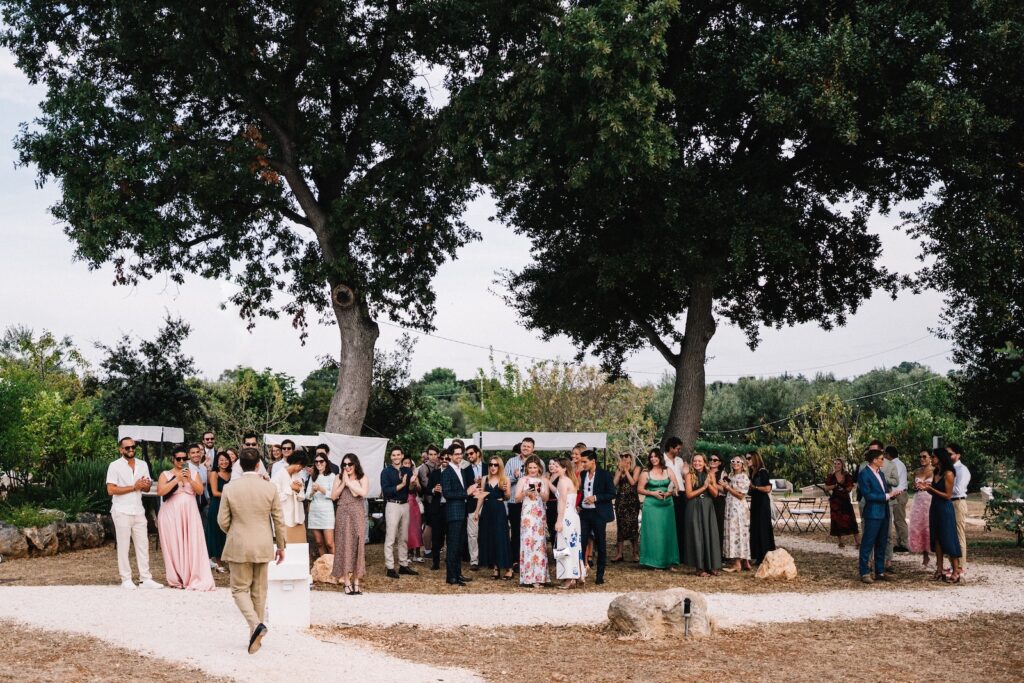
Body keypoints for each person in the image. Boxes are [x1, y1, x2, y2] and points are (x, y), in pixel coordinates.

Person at [217, 447, 286, 654]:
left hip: (239, 543)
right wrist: (281, 545)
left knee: (239, 589)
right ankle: (254, 634)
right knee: (259, 591)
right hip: (263, 543)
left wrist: (234, 532)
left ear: (239, 465)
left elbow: (222, 520)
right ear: (258, 465)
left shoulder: (230, 488)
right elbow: (278, 520)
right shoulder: (270, 488)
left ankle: (255, 626)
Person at [105, 437, 163, 589]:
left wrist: (145, 485)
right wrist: (134, 486)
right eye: (127, 448)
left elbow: (146, 487)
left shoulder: (142, 464)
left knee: (143, 545)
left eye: (133, 447)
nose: (131, 450)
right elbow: (111, 490)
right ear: (121, 449)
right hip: (121, 510)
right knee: (123, 546)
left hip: (138, 509)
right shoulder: (114, 466)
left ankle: (145, 578)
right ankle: (126, 579)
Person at [156, 445, 215, 591]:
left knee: (192, 542)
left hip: (190, 513)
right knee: (173, 544)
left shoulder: (194, 473)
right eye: (178, 459)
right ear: (173, 459)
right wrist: (176, 479)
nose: (181, 461)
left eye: (184, 458)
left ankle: (192, 575)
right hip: (171, 514)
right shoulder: (165, 474)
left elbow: (200, 491)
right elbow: (161, 492)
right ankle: (176, 578)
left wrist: (189, 479)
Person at [919, 447, 963, 583]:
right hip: (935, 507)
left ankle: (956, 571)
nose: (931, 459)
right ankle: (939, 569)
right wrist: (925, 488)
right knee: (936, 538)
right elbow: (934, 491)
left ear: (940, 458)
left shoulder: (949, 473)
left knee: (948, 538)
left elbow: (948, 495)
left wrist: (930, 488)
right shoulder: (936, 472)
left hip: (945, 509)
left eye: (933, 457)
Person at [331, 453, 370, 594]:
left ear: (355, 464)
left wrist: (350, 484)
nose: (347, 467)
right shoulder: (338, 477)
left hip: (357, 512)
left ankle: (356, 581)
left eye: (350, 464)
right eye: (344, 465)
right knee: (344, 544)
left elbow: (364, 492)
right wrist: (344, 482)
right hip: (342, 512)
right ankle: (346, 581)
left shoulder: (362, 477)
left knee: (358, 544)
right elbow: (333, 496)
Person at [638, 448, 681, 570]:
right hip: (651, 506)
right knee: (654, 534)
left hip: (667, 505)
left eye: (655, 456)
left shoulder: (668, 470)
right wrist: (653, 493)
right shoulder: (646, 472)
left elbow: (676, 487)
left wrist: (669, 493)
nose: (653, 459)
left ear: (660, 458)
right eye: (651, 457)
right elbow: (639, 489)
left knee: (668, 533)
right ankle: (654, 562)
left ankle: (670, 561)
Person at [857, 448, 895, 583]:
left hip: (884, 512)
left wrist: (891, 494)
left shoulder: (881, 474)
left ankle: (880, 571)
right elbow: (867, 495)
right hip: (873, 513)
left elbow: (884, 491)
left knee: (882, 543)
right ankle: (864, 572)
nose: (883, 460)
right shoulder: (864, 474)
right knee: (868, 543)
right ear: (874, 460)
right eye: (881, 458)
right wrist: (886, 495)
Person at [441, 444, 476, 586]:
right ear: (449, 455)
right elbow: (447, 494)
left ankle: (458, 573)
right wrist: (466, 493)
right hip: (453, 513)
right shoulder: (446, 472)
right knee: (453, 545)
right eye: (456, 454)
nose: (459, 456)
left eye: (461, 454)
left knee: (460, 546)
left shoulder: (461, 470)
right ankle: (451, 577)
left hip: (462, 511)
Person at [578, 450, 615, 585]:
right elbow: (580, 491)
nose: (582, 464)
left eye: (585, 462)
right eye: (582, 462)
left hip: (599, 513)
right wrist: (578, 503)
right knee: (581, 542)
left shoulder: (605, 474)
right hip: (584, 513)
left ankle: (600, 574)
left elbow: (612, 493)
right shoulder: (582, 474)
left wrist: (596, 498)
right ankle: (581, 572)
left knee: (601, 543)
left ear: (593, 461)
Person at [380, 446, 417, 578]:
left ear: (402, 456)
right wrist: (401, 484)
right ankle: (390, 567)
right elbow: (386, 491)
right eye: (393, 455)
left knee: (404, 537)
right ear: (391, 457)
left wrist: (412, 483)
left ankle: (403, 565)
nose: (396, 457)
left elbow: (412, 490)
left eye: (398, 455)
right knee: (390, 537)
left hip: (405, 505)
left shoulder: (407, 470)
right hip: (392, 505)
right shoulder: (386, 472)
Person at [475, 455, 513, 579]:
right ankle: (496, 568)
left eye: (495, 465)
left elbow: (508, 497)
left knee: (501, 538)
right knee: (490, 538)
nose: (492, 467)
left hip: (499, 509)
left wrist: (505, 491)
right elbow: (481, 496)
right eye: (491, 464)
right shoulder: (485, 479)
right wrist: (476, 512)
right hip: (487, 510)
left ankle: (508, 568)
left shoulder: (505, 479)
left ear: (500, 466)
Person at [683, 453, 722, 576]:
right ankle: (699, 568)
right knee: (697, 535)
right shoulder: (689, 475)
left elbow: (715, 494)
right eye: (695, 461)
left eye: (700, 461)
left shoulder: (710, 474)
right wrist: (703, 487)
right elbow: (689, 495)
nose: (697, 463)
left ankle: (711, 566)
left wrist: (709, 484)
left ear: (704, 462)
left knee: (709, 533)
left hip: (707, 506)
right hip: (694, 506)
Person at [549, 457, 585, 589]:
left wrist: (559, 521)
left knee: (565, 546)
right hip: (573, 516)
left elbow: (562, 502)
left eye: (557, 466)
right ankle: (576, 574)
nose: (555, 468)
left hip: (566, 517)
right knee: (574, 546)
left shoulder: (563, 482)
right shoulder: (570, 480)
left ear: (564, 468)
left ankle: (568, 578)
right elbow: (560, 495)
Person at [515, 455, 549, 587]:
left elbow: (546, 498)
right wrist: (525, 493)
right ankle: (528, 576)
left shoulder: (543, 480)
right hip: (528, 515)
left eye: (535, 467)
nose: (533, 470)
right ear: (526, 468)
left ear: (539, 468)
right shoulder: (523, 480)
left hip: (539, 514)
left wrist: (539, 491)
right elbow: (517, 498)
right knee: (528, 542)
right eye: (530, 467)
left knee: (539, 543)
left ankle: (539, 577)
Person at [720, 456, 751, 572]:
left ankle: (737, 564)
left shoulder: (744, 477)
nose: (735, 463)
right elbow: (725, 490)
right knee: (735, 532)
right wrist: (723, 485)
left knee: (738, 532)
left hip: (738, 508)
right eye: (733, 461)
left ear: (743, 464)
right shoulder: (731, 475)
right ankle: (744, 561)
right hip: (730, 506)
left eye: (738, 461)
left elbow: (741, 495)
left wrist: (728, 487)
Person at [305, 451, 336, 558]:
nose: (319, 463)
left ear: (326, 462)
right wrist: (313, 492)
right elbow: (307, 496)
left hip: (327, 512)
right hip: (314, 512)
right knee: (319, 542)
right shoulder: (313, 476)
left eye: (321, 461)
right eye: (316, 461)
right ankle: (324, 566)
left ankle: (335, 567)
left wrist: (320, 489)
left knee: (329, 543)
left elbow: (333, 495)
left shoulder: (332, 476)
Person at [747, 451, 776, 564]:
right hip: (755, 503)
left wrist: (754, 487)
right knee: (755, 528)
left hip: (763, 504)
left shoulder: (762, 472)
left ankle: (766, 555)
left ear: (755, 458)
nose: (747, 460)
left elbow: (768, 488)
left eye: (749, 458)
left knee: (763, 529)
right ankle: (758, 556)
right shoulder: (751, 472)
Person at [206, 451, 232, 573]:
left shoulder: (231, 473)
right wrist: (231, 496)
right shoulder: (214, 474)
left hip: (230, 507)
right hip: (217, 506)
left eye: (226, 459)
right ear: (217, 461)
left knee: (227, 533)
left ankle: (227, 559)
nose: (224, 462)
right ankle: (218, 562)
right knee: (216, 533)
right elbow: (215, 492)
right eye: (221, 460)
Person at [612, 453, 641, 562]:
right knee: (620, 526)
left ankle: (635, 553)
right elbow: (614, 483)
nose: (624, 458)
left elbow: (633, 482)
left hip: (632, 501)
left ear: (631, 457)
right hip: (621, 500)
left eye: (627, 456)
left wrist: (627, 471)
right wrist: (620, 471)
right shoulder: (618, 469)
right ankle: (619, 553)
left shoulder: (636, 468)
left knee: (633, 526)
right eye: (622, 456)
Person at [824, 458, 859, 548]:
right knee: (837, 521)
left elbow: (851, 486)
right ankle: (840, 542)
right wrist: (835, 486)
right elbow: (826, 488)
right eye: (835, 464)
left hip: (845, 500)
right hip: (835, 502)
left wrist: (847, 489)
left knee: (851, 520)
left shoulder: (847, 475)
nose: (836, 465)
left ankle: (857, 542)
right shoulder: (831, 476)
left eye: (838, 464)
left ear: (842, 465)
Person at [663, 436, 688, 562]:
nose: (679, 451)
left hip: (681, 493)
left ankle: (681, 553)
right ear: (671, 447)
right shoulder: (662, 459)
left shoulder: (679, 460)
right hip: (668, 493)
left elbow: (683, 476)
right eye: (677, 448)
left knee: (681, 524)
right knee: (669, 524)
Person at [908, 449, 934, 567]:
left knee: (930, 527)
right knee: (920, 527)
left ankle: (936, 552)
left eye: (924, 456)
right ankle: (925, 555)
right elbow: (913, 486)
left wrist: (928, 486)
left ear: (930, 457)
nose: (922, 459)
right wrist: (915, 486)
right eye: (920, 457)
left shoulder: (936, 470)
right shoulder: (917, 471)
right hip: (919, 501)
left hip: (931, 500)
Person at [187, 442, 211, 567]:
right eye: (193, 453)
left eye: (198, 452)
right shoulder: (187, 468)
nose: (196, 454)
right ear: (189, 455)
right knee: (193, 532)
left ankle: (204, 558)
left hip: (204, 503)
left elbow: (205, 487)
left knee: (204, 531)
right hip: (192, 503)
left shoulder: (203, 468)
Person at [504, 440, 527, 570]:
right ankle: (515, 561)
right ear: (521, 448)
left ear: (533, 448)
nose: (526, 448)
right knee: (516, 532)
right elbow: (505, 480)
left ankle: (528, 559)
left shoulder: (538, 462)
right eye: (524, 446)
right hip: (514, 501)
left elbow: (540, 480)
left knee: (529, 533)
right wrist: (514, 476)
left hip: (532, 504)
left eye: (528, 446)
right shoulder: (511, 462)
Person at [948, 443, 971, 572]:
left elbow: (957, 489)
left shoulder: (962, 470)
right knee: (950, 535)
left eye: (950, 454)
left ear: (958, 455)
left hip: (958, 502)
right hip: (949, 502)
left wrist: (944, 487)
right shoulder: (949, 468)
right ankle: (953, 564)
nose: (948, 456)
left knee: (959, 534)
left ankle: (961, 566)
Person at [417, 445, 441, 562]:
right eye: (430, 454)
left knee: (435, 525)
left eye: (434, 454)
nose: (432, 457)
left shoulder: (439, 465)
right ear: (427, 455)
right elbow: (426, 486)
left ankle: (434, 548)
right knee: (429, 525)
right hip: (428, 500)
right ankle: (427, 550)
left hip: (438, 500)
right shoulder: (423, 468)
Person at [426, 446, 448, 571]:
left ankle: (449, 559)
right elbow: (427, 490)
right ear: (439, 459)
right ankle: (435, 562)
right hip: (437, 508)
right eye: (442, 458)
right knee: (436, 537)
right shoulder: (435, 473)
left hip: (449, 508)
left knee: (449, 536)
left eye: (447, 458)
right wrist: (434, 490)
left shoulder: (454, 472)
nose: (444, 460)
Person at [464, 445, 485, 569]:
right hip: (472, 504)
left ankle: (487, 558)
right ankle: (474, 561)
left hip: (487, 504)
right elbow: (464, 489)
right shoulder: (465, 471)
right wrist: (473, 486)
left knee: (486, 532)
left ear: (478, 453)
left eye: (471, 453)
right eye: (467, 454)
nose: (469, 456)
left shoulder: (490, 467)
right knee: (472, 534)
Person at [886, 447, 910, 553]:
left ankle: (904, 543)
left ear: (888, 455)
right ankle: (900, 542)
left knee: (900, 519)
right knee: (897, 520)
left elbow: (896, 481)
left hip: (899, 494)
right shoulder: (898, 464)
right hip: (899, 493)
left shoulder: (895, 465)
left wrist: (891, 494)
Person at [403, 455, 424, 562]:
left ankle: (417, 553)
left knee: (416, 528)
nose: (407, 465)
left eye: (408, 463)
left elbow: (420, 490)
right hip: (405, 502)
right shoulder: (400, 475)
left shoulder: (415, 475)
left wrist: (417, 483)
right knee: (407, 529)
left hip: (414, 503)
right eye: (405, 463)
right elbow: (406, 490)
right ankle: (408, 554)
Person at [708, 453, 726, 550]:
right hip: (707, 500)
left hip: (719, 501)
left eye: (715, 460)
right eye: (710, 459)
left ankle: (719, 553)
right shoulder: (704, 471)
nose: (712, 461)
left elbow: (725, 489)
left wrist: (712, 484)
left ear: (719, 463)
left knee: (719, 526)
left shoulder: (723, 473)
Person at [545, 457, 563, 544]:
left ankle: (559, 555)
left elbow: (558, 492)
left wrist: (548, 482)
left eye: (554, 464)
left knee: (557, 530)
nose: (551, 466)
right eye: (550, 464)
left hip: (557, 504)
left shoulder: (560, 477)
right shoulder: (547, 475)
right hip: (548, 505)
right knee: (551, 529)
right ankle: (554, 552)